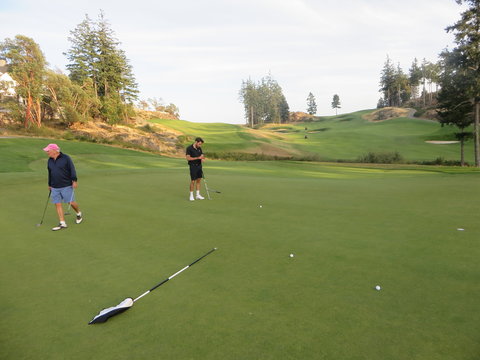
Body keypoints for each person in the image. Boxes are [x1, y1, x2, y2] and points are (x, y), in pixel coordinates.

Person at [43, 143, 83, 231]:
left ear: (54, 150)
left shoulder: (66, 158)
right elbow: (50, 173)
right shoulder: (49, 160)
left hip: (66, 185)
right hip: (54, 186)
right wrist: (49, 184)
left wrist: (74, 180)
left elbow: (72, 169)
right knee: (57, 204)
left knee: (71, 202)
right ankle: (62, 222)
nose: (47, 152)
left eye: (48, 151)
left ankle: (78, 213)